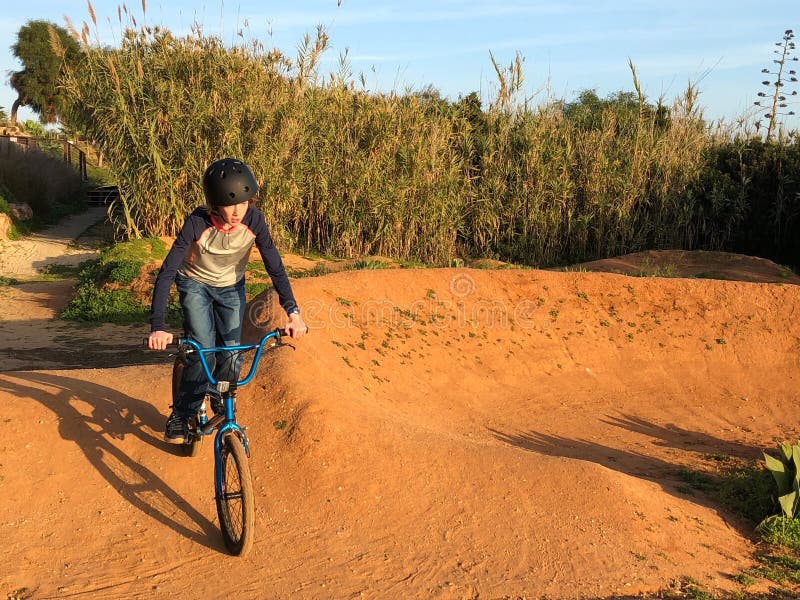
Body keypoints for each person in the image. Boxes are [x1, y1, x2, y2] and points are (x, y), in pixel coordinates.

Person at [148, 158, 307, 444]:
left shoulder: (254, 221)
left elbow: (275, 267)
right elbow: (168, 271)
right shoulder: (197, 223)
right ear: (214, 203)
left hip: (231, 286)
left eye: (244, 203)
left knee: (233, 351)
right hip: (194, 283)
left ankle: (218, 391)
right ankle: (182, 414)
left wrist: (293, 312)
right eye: (229, 204)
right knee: (204, 348)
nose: (237, 211)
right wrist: (157, 325)